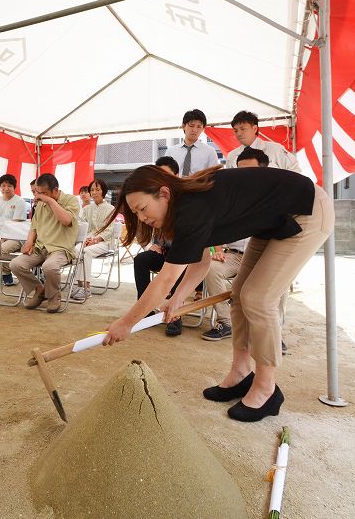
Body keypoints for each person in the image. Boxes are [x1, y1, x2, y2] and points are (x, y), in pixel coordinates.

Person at [102, 165, 333, 422]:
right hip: (272, 223)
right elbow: (201, 262)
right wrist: (178, 299)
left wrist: (127, 323)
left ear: (164, 194)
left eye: (143, 209)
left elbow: (166, 278)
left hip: (306, 212)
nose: (142, 218)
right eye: (135, 213)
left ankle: (267, 388)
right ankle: (241, 373)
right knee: (239, 296)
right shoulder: (182, 210)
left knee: (257, 298)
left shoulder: (191, 207)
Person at [235, 146, 289, 354]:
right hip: (246, 249)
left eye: (250, 171)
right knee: (240, 292)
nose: (244, 177)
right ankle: (240, 358)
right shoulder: (239, 196)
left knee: (262, 295)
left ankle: (276, 334)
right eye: (240, 171)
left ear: (264, 171)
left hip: (286, 241)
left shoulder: (277, 193)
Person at [10, 173, 80, 313]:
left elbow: (66, 220)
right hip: (40, 248)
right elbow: (34, 227)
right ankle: (39, 290)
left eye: (43, 193)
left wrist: (50, 201)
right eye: (37, 192)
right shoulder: (40, 204)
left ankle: (54, 296)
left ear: (55, 190)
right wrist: (29, 243)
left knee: (49, 266)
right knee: (16, 264)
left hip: (61, 249)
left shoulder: (70, 200)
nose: (39, 196)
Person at [131, 157, 184, 335]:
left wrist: (125, 323)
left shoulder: (184, 202)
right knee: (142, 259)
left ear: (176, 176)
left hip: (184, 254)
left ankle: (175, 315)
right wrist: (155, 243)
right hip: (165, 251)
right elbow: (158, 228)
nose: (142, 217)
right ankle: (144, 309)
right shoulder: (155, 201)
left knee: (180, 264)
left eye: (166, 175)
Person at [70, 178, 115, 300]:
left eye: (97, 189)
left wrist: (95, 239)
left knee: (86, 252)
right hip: (89, 240)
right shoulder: (86, 209)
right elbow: (83, 227)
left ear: (103, 191)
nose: (94, 192)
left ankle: (86, 287)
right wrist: (86, 239)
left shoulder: (110, 208)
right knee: (78, 249)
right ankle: (79, 286)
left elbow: (109, 230)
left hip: (104, 242)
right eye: (92, 190)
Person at [0, 174, 27, 286]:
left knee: (1, 250)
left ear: (14, 187)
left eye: (9, 186)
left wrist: (5, 237)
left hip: (15, 236)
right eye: (3, 185)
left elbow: (17, 224)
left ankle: (7, 274)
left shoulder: (20, 201)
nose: (6, 188)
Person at [225, 111, 301, 172]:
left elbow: (295, 171)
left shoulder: (276, 149)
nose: (239, 133)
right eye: (235, 130)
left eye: (243, 129)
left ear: (255, 129)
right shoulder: (231, 156)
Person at [164, 109, 219, 177]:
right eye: (191, 125)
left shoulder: (210, 152)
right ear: (183, 126)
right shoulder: (171, 151)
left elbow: (215, 176)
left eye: (199, 127)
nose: (195, 130)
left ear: (203, 129)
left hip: (200, 186)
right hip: (176, 186)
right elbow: (165, 175)